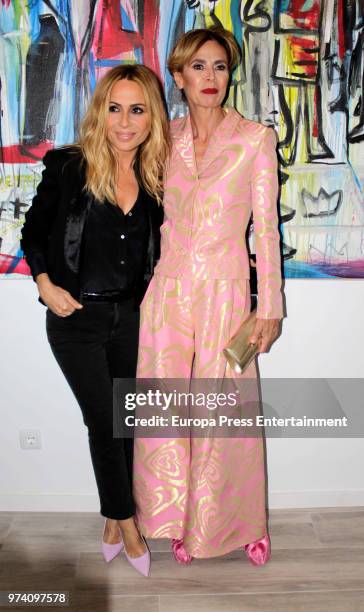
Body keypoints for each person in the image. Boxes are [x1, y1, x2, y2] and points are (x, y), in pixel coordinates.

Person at [133, 27, 284, 564]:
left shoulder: (254, 139)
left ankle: (239, 525)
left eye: (219, 67)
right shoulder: (162, 138)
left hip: (225, 294)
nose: (210, 78)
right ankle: (176, 518)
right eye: (198, 67)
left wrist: (270, 305)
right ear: (178, 76)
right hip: (167, 295)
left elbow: (265, 230)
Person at [21, 64, 168, 577]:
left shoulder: (157, 176)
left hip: (130, 319)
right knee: (104, 423)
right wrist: (45, 285)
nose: (124, 122)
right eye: (114, 108)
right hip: (75, 318)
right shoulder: (68, 165)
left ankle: (110, 518)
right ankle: (128, 524)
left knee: (123, 424)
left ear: (152, 117)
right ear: (99, 111)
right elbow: (34, 233)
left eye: (137, 109)